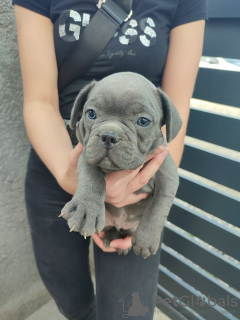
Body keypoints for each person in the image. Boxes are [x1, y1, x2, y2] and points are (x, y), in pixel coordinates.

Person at [13, 0, 207, 319]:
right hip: (59, 156)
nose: (111, 133)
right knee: (67, 291)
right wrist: (71, 176)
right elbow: (39, 100)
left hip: (137, 179)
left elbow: (178, 105)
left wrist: (139, 191)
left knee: (128, 310)